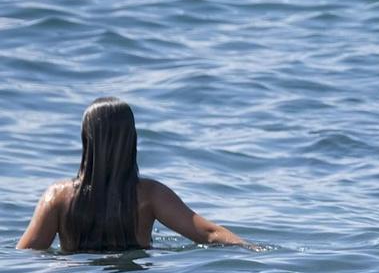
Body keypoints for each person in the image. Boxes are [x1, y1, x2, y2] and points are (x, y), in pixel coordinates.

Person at [17, 97, 248, 252]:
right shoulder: (150, 195)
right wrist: (255, 251)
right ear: (131, 139)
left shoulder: (57, 196)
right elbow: (208, 234)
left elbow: (27, 254)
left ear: (87, 139)